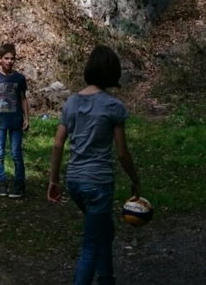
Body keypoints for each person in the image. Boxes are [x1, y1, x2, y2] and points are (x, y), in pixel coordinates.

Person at [48, 45, 143, 285]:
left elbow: (58, 144)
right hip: (99, 184)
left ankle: (107, 278)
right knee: (91, 245)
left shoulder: (71, 103)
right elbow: (122, 153)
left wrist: (54, 180)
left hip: (75, 182)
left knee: (104, 231)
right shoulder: (113, 107)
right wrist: (135, 179)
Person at [0, 42, 28, 197]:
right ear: (0, 59)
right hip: (0, 123)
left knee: (16, 153)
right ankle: (1, 182)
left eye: (12, 58)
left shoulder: (19, 78)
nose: (10, 61)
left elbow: (23, 99)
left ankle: (19, 184)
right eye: (6, 58)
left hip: (16, 121)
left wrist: (26, 118)